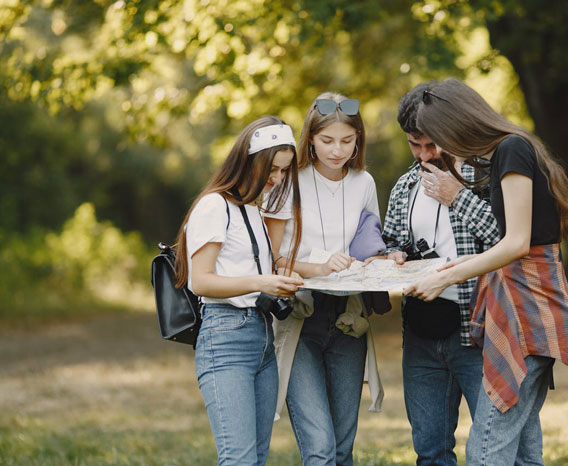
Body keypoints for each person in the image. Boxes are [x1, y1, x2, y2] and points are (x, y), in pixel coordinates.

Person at [404, 78, 568, 466]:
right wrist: (447, 269)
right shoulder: (502, 155)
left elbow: (515, 243)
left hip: (528, 305)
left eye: (438, 139)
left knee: (487, 447)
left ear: (457, 124)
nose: (437, 151)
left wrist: (446, 277)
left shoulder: (512, 149)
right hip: (513, 301)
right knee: (521, 445)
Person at [172, 115, 305, 466]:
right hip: (226, 337)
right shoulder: (214, 206)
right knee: (239, 459)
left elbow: (256, 269)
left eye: (283, 172)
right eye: (272, 170)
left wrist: (281, 278)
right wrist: (262, 282)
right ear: (250, 161)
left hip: (261, 336)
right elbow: (201, 281)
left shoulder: (251, 209)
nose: (277, 180)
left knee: (257, 458)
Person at [380, 82, 500, 465]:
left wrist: (457, 196)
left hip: (478, 331)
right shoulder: (404, 186)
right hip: (420, 332)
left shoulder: (487, 176)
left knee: (493, 448)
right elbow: (390, 242)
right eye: (415, 145)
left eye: (432, 144)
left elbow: (509, 240)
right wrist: (393, 256)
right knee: (430, 451)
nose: (424, 154)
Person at [264, 92, 382, 466]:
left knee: (342, 448)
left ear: (358, 140)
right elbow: (272, 259)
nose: (337, 150)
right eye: (327, 140)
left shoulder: (364, 183)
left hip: (350, 319)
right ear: (310, 138)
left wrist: (385, 257)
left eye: (347, 141)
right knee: (319, 447)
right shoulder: (288, 181)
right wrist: (319, 266)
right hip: (301, 318)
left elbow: (370, 243)